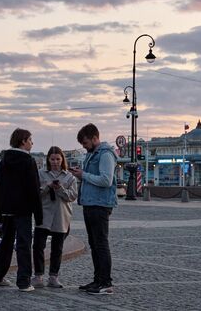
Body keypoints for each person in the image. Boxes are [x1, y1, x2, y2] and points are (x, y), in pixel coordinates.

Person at [0, 128, 43, 292]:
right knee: (24, 245)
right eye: (30, 140)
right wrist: (39, 215)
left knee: (5, 244)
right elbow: (33, 189)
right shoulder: (28, 161)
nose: (32, 143)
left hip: (6, 210)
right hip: (23, 210)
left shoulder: (4, 160)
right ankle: (24, 281)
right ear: (23, 141)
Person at [69, 123, 117, 295]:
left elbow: (106, 180)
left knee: (101, 244)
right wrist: (81, 173)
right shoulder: (93, 154)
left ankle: (105, 282)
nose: (84, 147)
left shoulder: (105, 154)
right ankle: (98, 280)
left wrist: (84, 175)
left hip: (100, 204)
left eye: (86, 143)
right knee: (94, 244)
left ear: (95, 138)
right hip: (90, 203)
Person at [32, 146, 77, 289]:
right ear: (48, 160)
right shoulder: (40, 174)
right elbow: (35, 195)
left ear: (62, 159)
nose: (55, 162)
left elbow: (72, 196)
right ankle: (38, 275)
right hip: (44, 215)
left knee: (57, 248)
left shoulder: (69, 177)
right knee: (38, 246)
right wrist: (47, 187)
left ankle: (53, 276)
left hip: (61, 216)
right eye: (52, 159)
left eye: (58, 159)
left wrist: (60, 189)